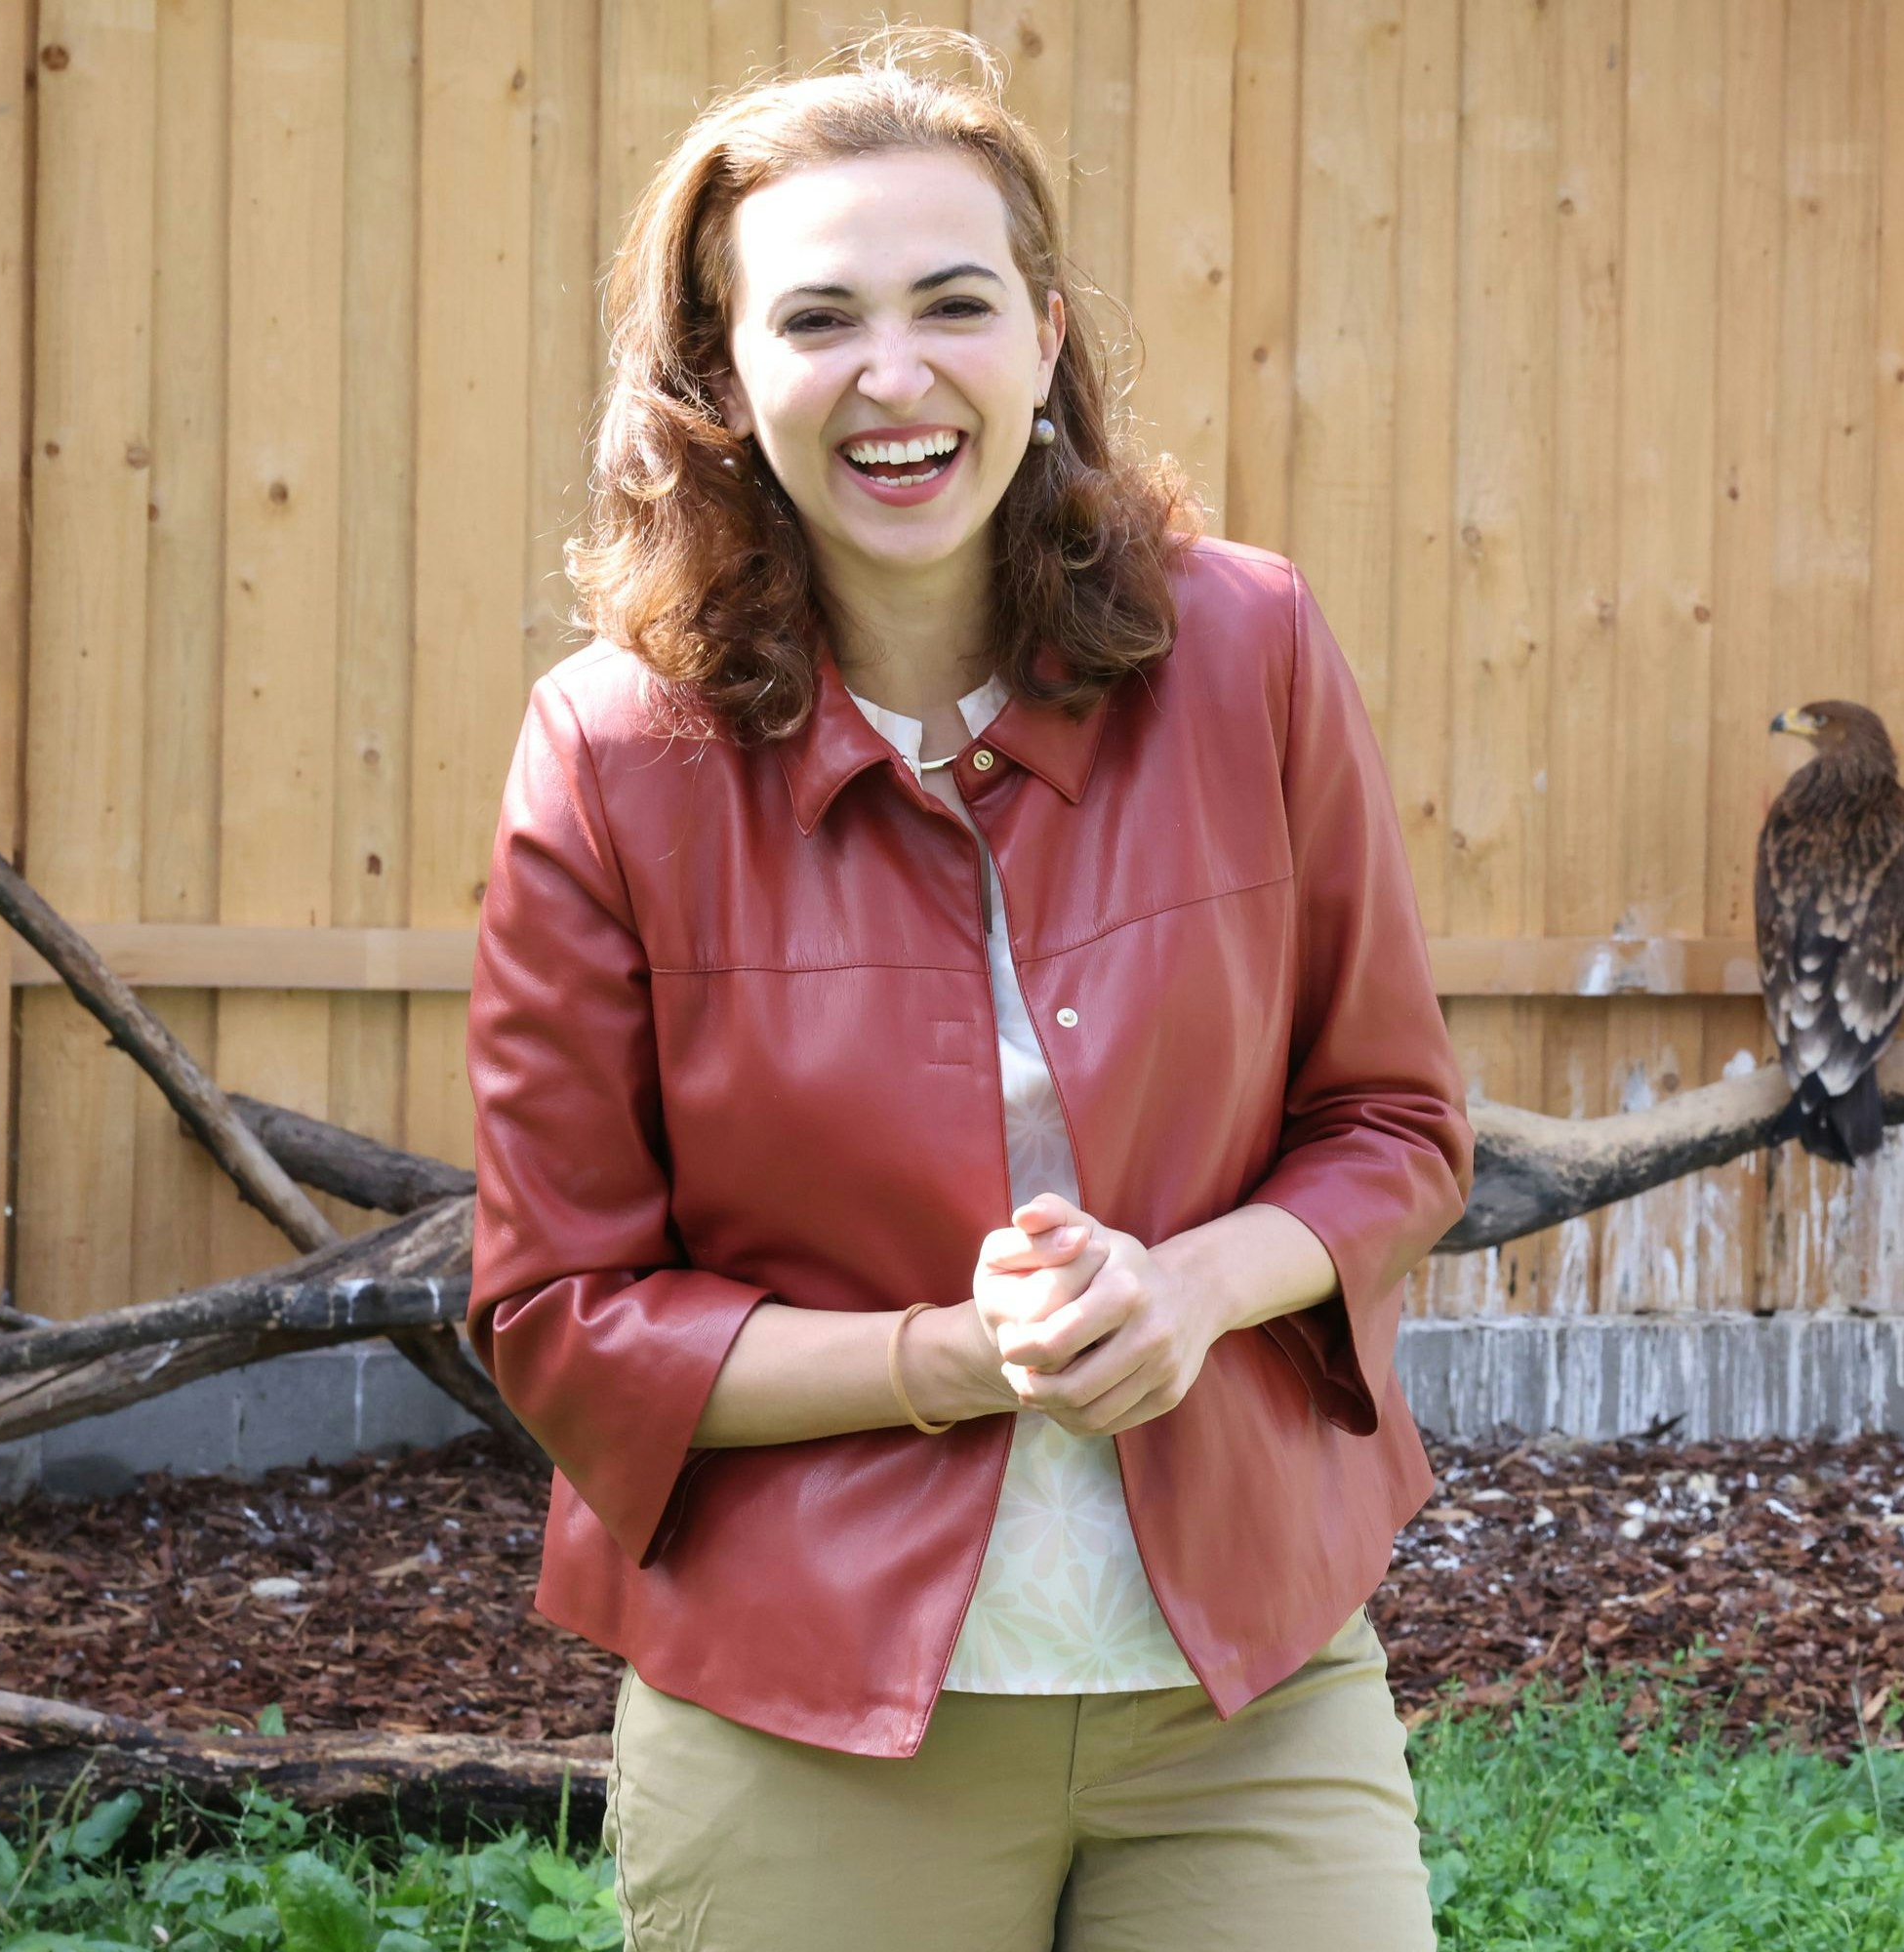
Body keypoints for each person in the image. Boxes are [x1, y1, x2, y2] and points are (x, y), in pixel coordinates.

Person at [463, 34, 1466, 1952]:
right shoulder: (608, 758)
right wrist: (946, 1359)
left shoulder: (1244, 649)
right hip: (799, 1705)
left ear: (1045, 336)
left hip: (1242, 1683)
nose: (894, 376)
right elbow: (561, 1313)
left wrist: (1189, 1289)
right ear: (722, 379)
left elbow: (1396, 1122)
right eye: (817, 317)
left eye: (952, 304)